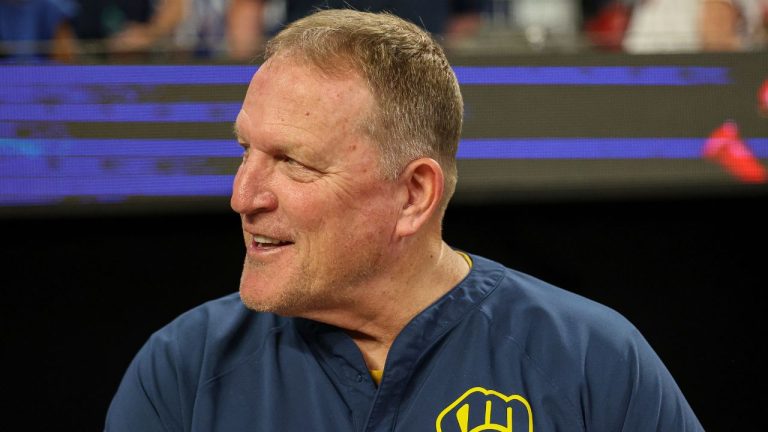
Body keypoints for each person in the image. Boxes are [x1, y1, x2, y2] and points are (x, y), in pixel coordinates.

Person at [105, 9, 704, 431]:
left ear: (415, 194)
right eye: (245, 151)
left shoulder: (590, 362)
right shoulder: (183, 371)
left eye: (293, 162)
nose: (243, 196)